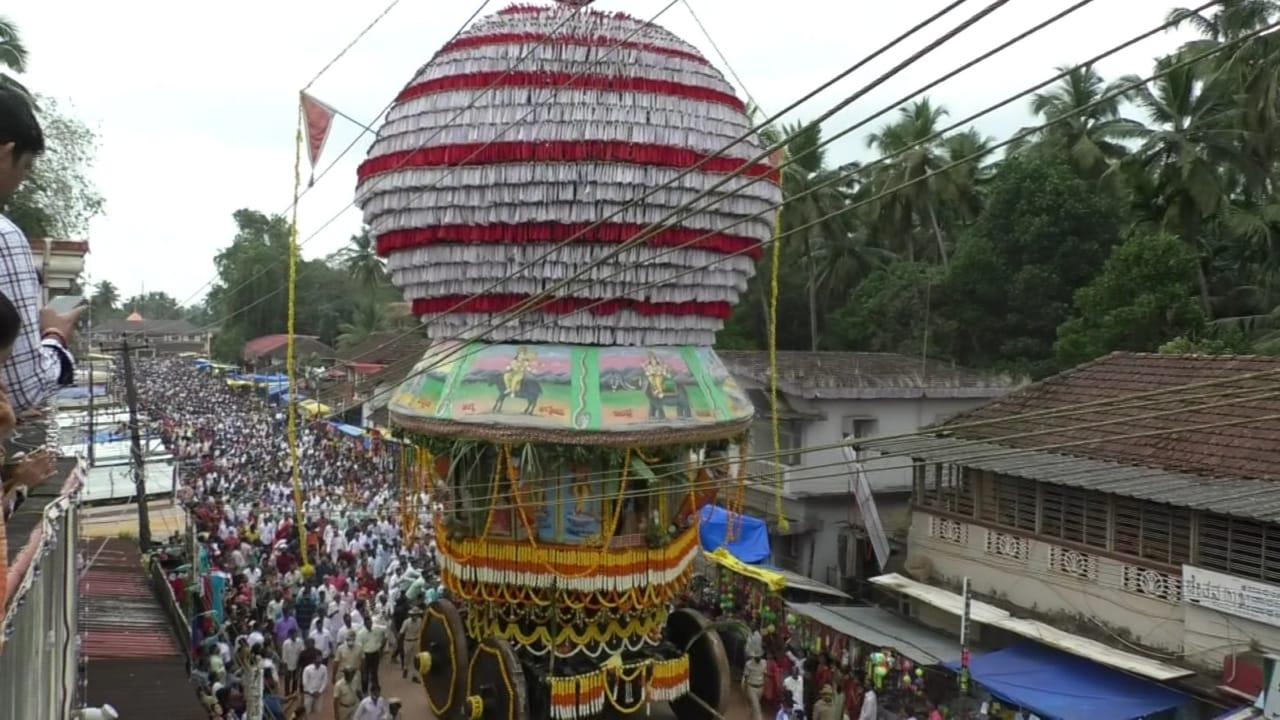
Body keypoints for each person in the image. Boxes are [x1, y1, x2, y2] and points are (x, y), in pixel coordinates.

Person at [0, 89, 82, 416]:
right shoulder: (4, 237)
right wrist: (55, 334)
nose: (21, 180)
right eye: (27, 165)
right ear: (6, 152)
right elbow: (23, 391)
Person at [358, 613, 387, 694]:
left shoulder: (377, 629)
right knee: (365, 673)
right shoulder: (361, 634)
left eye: (370, 623)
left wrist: (382, 647)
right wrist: (362, 658)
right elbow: (360, 647)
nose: (369, 624)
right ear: (364, 624)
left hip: (375, 654)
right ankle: (365, 689)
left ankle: (375, 689)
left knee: (374, 672)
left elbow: (385, 633)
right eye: (367, 623)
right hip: (366, 655)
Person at [397, 607, 422, 679]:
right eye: (414, 614)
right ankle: (405, 669)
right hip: (407, 642)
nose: (415, 616)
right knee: (407, 657)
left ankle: (414, 676)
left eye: (416, 614)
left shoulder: (420, 621)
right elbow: (401, 633)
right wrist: (399, 643)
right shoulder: (406, 622)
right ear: (411, 615)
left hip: (416, 641)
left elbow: (421, 630)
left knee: (416, 658)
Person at [743, 652, 767, 720]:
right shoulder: (748, 664)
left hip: (760, 687)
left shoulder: (764, 662)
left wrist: (764, 685)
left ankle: (751, 717)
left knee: (754, 706)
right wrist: (745, 688)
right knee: (757, 707)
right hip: (751, 687)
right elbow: (746, 676)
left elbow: (764, 674)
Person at [280, 628, 303, 696]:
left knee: (295, 679)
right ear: (290, 635)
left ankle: (294, 693)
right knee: (287, 679)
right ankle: (287, 693)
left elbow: (301, 652)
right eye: (293, 634)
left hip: (296, 663)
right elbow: (284, 655)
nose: (294, 636)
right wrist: (285, 666)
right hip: (288, 664)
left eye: (295, 634)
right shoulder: (286, 643)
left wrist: (299, 664)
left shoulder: (300, 641)